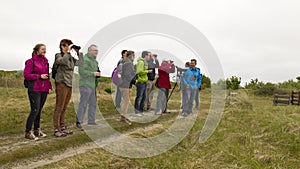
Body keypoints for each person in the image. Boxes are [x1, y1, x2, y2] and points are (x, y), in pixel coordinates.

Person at [52, 39, 84, 137]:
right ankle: (56, 128)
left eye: (69, 46)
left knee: (64, 107)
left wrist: (78, 53)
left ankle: (62, 126)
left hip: (69, 83)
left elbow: (81, 63)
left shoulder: (71, 57)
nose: (68, 47)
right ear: (62, 46)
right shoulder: (59, 55)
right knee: (59, 106)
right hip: (61, 82)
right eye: (66, 45)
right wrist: (68, 52)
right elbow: (62, 62)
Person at [24, 43, 52, 140]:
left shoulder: (46, 62)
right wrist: (38, 76)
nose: (44, 51)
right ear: (37, 50)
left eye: (45, 49)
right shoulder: (30, 61)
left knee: (39, 110)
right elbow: (26, 75)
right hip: (34, 88)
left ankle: (37, 130)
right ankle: (28, 132)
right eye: (42, 49)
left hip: (44, 88)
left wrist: (49, 86)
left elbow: (47, 76)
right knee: (34, 110)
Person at [76, 45, 100, 129]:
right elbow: (81, 71)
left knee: (93, 104)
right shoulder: (84, 59)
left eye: (97, 51)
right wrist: (92, 73)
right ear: (89, 51)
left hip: (93, 85)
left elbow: (96, 71)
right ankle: (79, 122)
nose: (96, 52)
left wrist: (97, 74)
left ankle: (91, 120)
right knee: (83, 104)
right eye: (94, 50)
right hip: (85, 84)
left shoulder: (95, 61)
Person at [119, 50, 136, 125]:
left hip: (124, 85)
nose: (134, 58)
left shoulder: (125, 63)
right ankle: (123, 118)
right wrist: (134, 81)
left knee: (125, 101)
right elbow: (128, 75)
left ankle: (123, 116)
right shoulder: (129, 64)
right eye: (133, 56)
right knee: (125, 102)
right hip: (126, 85)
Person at [134, 51, 152, 115]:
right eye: (149, 55)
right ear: (145, 56)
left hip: (144, 81)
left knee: (144, 97)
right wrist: (147, 71)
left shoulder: (145, 62)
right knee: (139, 96)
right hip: (140, 81)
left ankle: (141, 111)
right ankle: (137, 111)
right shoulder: (141, 62)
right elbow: (139, 71)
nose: (150, 57)